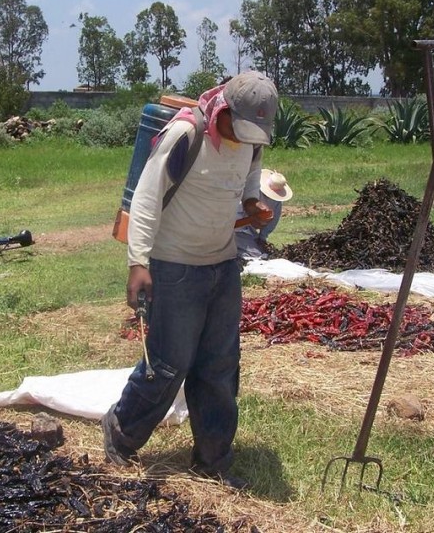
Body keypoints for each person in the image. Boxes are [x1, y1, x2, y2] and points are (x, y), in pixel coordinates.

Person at [102, 71, 278, 489]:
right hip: (174, 264)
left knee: (219, 366)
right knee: (168, 363)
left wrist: (252, 202)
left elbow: (249, 178)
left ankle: (212, 460)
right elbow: (146, 197)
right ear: (223, 110)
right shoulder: (186, 133)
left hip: (223, 264)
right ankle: (121, 431)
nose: (245, 139)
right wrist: (138, 263)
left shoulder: (249, 141)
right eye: (240, 128)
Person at [235, 169, 293, 260]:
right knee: (254, 255)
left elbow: (273, 219)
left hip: (249, 231)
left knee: (259, 253)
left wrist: (262, 238)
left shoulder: (276, 202)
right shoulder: (249, 193)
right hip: (237, 230)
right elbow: (235, 216)